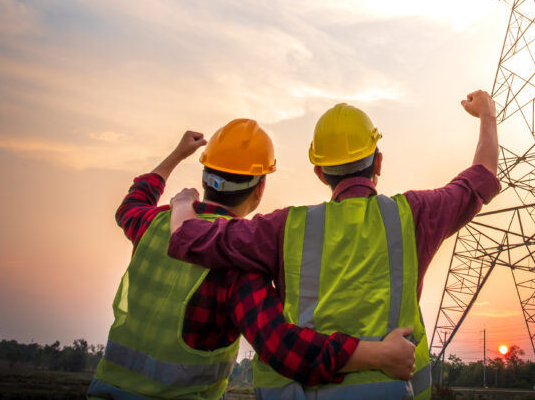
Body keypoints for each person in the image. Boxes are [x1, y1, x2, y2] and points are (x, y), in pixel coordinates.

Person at [168, 90, 500, 399]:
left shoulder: (284, 227)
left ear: (319, 172)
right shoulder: (413, 216)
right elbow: (482, 176)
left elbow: (188, 239)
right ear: (379, 162)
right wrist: (487, 113)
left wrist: (183, 205)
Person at [89, 119, 416, 400]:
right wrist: (380, 354)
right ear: (260, 189)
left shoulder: (154, 224)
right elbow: (282, 347)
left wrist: (176, 157)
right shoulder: (237, 262)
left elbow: (132, 203)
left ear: (205, 178)